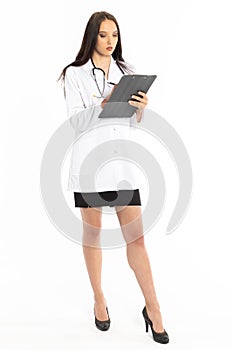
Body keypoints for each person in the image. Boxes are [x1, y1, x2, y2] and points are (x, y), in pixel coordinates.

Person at [58, 11, 169, 344]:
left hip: (122, 169)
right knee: (93, 239)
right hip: (91, 169)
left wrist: (139, 107)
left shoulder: (127, 73)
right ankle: (99, 299)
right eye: (104, 35)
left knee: (137, 241)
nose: (110, 42)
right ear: (92, 36)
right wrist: (104, 104)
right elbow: (75, 124)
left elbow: (132, 124)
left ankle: (154, 308)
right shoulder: (74, 75)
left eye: (115, 36)